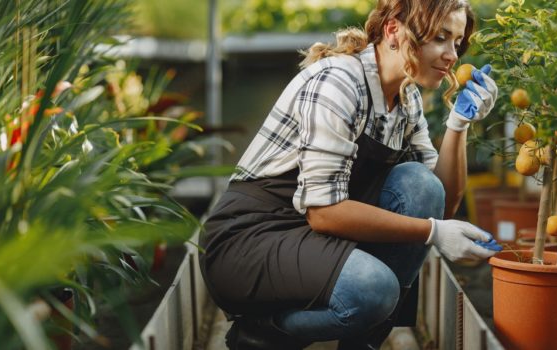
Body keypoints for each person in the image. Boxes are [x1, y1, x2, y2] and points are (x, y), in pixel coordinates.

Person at [199, 0, 502, 348]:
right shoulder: (339, 82)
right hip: (250, 241)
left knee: (421, 186)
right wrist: (433, 233)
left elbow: (441, 203)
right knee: (373, 289)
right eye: (440, 37)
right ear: (393, 31)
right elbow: (324, 212)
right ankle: (261, 333)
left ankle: (363, 345)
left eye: (457, 42)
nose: (452, 55)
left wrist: (458, 125)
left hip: (310, 239)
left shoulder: (406, 99)